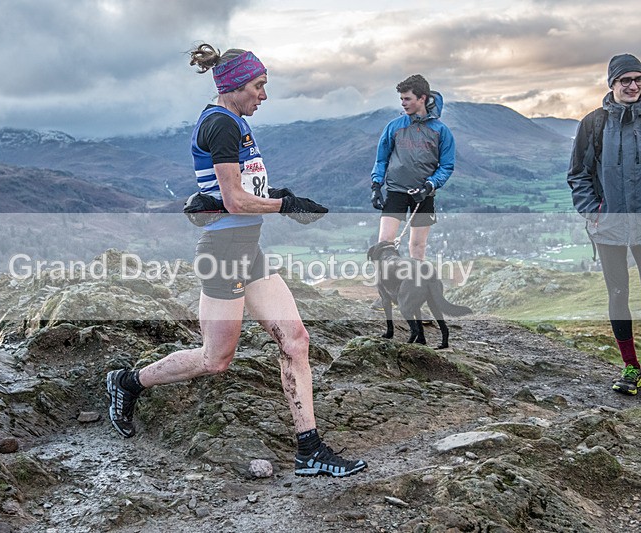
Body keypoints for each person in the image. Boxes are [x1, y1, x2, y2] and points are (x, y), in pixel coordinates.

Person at [106, 43, 366, 478]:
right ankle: (127, 382)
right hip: (224, 254)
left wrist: (274, 195)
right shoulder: (222, 124)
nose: (264, 95)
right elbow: (234, 200)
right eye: (258, 86)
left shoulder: (235, 121)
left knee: (295, 340)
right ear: (234, 85)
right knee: (215, 359)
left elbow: (238, 192)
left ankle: (310, 450)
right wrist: (286, 205)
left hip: (248, 249)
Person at [568, 53, 641, 396]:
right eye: (626, 80)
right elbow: (578, 174)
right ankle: (631, 367)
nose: (633, 86)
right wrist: (594, 212)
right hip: (608, 224)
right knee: (618, 293)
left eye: (639, 79)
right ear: (612, 83)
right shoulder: (593, 124)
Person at [370, 74, 455, 261]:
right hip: (396, 191)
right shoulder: (394, 127)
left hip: (424, 195)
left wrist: (430, 186)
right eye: (401, 99)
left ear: (422, 98)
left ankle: (416, 279)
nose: (403, 103)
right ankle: (386, 279)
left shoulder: (441, 131)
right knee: (384, 244)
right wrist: (376, 186)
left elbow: (447, 166)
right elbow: (381, 159)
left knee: (418, 246)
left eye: (407, 99)